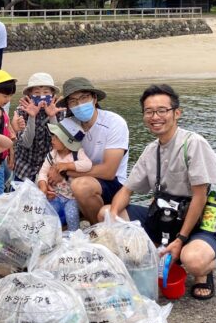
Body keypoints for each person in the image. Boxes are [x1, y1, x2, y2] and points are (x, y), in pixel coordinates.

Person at [101, 84, 216, 300]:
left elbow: (200, 196)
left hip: (196, 224)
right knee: (106, 212)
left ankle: (204, 271)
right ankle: (162, 251)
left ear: (177, 113)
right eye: (149, 111)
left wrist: (181, 239)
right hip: (163, 219)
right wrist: (111, 221)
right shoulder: (151, 150)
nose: (155, 116)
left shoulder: (193, 144)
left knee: (193, 260)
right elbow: (127, 190)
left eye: (162, 110)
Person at [56, 77, 129, 224]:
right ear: (68, 107)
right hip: (76, 178)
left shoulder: (114, 123)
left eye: (84, 98)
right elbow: (56, 153)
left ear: (94, 99)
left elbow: (109, 172)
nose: (79, 104)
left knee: (80, 186)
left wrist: (64, 171)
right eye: (73, 101)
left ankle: (98, 228)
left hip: (112, 183)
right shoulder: (67, 125)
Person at [37, 118, 92, 231]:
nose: (52, 139)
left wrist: (67, 166)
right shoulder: (52, 155)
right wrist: (43, 186)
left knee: (71, 214)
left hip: (72, 198)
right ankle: (50, 235)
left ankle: (74, 236)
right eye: (53, 136)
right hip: (57, 195)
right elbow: (43, 172)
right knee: (48, 213)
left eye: (56, 137)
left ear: (67, 142)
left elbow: (87, 165)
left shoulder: (77, 154)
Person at [12, 73, 63, 182]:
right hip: (24, 167)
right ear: (30, 95)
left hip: (49, 167)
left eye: (46, 92)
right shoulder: (22, 110)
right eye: (36, 93)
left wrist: (52, 116)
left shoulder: (59, 111)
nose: (41, 96)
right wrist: (31, 117)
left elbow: (60, 142)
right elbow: (26, 143)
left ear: (52, 94)